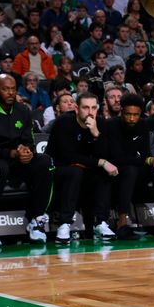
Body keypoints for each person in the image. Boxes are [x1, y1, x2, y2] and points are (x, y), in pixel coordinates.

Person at [0, 74, 53, 243]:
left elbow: (28, 139)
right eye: (5, 89)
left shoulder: (23, 110)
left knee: (44, 162)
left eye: (13, 89)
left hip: (18, 159)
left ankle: (36, 220)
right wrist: (9, 153)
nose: (10, 93)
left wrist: (27, 151)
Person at [97, 93, 154, 239]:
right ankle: (122, 224)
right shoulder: (110, 125)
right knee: (130, 170)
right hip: (115, 172)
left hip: (136, 168)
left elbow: (145, 153)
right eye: (128, 114)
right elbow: (117, 157)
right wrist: (147, 160)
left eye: (136, 115)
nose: (132, 118)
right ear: (121, 111)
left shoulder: (143, 125)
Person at [46, 92, 119, 243]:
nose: (90, 112)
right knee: (76, 171)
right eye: (85, 107)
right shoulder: (63, 123)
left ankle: (101, 223)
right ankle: (64, 224)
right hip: (58, 171)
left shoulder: (100, 123)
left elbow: (107, 155)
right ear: (76, 108)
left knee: (103, 173)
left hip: (85, 171)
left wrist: (96, 134)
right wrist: (101, 162)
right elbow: (68, 157)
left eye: (93, 108)